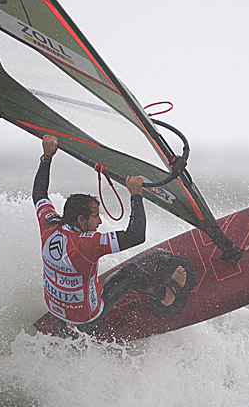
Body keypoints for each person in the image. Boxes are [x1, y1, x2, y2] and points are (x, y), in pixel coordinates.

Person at [33, 134, 187, 335]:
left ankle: (68, 322)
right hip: (88, 315)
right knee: (131, 271)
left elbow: (39, 195)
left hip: (56, 309)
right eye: (95, 216)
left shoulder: (49, 224)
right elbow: (136, 236)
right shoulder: (86, 244)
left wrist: (47, 156)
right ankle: (167, 295)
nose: (99, 221)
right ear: (81, 219)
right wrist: (136, 195)